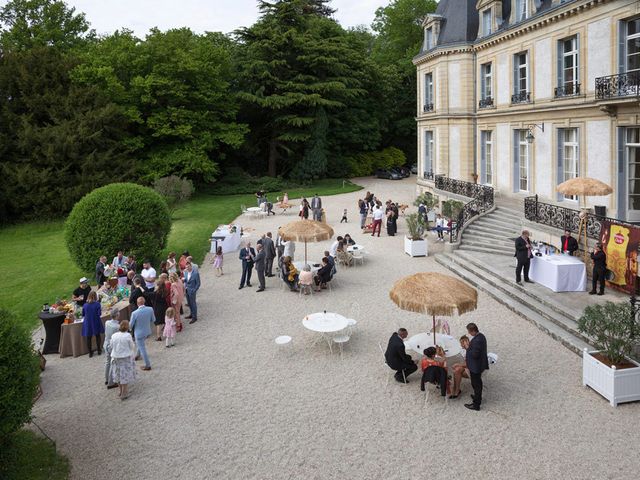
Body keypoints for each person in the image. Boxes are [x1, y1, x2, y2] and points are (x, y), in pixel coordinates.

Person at [109, 320, 136, 400]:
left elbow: (111, 346)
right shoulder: (128, 335)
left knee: (117, 374)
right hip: (125, 358)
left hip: (115, 357)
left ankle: (120, 391)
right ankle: (124, 392)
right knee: (124, 375)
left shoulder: (114, 335)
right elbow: (132, 346)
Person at [464, 323, 489, 411]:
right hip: (479, 365)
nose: (469, 333)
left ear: (473, 331)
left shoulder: (477, 340)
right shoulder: (481, 336)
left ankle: (476, 404)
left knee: (476, 384)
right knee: (477, 383)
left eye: (469, 331)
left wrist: (467, 348)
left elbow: (475, 355)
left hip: (476, 366)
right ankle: (477, 396)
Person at [130, 297, 155, 371]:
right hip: (147, 331)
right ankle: (137, 355)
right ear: (144, 302)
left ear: (137, 303)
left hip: (138, 333)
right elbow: (153, 320)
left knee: (142, 348)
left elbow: (131, 325)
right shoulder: (150, 309)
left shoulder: (134, 313)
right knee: (140, 344)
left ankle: (148, 365)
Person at [82, 290, 104, 358]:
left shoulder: (85, 305)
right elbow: (99, 314)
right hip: (96, 321)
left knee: (89, 337)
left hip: (88, 322)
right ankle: (99, 350)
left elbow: (83, 314)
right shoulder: (97, 304)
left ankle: (90, 352)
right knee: (97, 336)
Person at [103, 310, 121, 389]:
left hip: (106, 343)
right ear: (116, 315)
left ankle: (106, 379)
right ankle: (110, 382)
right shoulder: (117, 327)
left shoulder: (107, 322)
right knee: (112, 363)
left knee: (108, 362)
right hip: (112, 346)